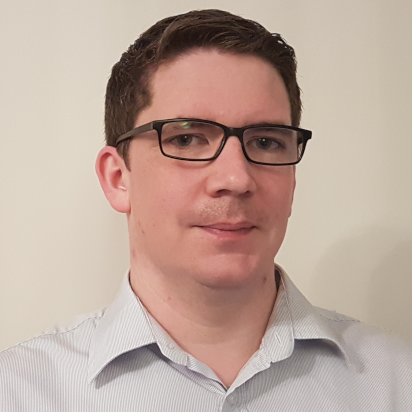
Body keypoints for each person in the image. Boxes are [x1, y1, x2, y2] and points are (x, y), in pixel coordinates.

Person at [1, 9, 411, 411]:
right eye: (187, 139)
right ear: (118, 178)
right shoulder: (20, 392)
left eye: (266, 142)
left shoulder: (396, 383)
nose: (236, 178)